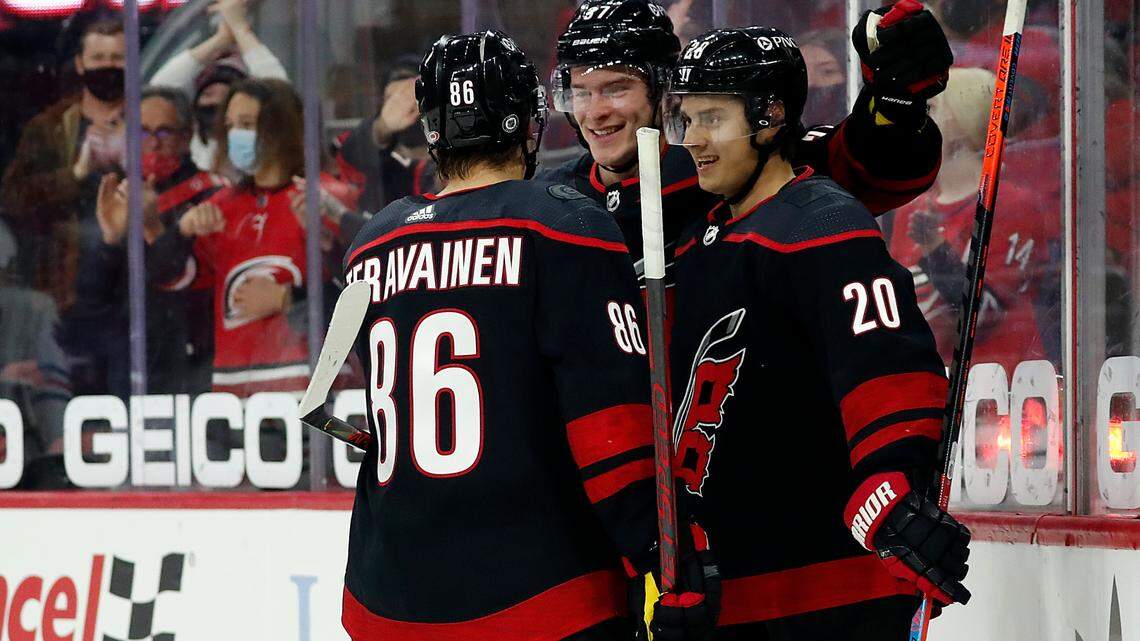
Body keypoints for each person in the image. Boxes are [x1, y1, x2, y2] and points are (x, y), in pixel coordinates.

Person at [339, 30, 711, 641]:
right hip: (539, 595)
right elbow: (610, 429)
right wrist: (669, 558)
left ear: (431, 128)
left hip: (385, 599)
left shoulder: (371, 243)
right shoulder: (563, 224)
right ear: (527, 123)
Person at [663, 28, 971, 638]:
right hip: (732, 589)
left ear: (770, 116)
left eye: (711, 119)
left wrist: (892, 481)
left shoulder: (822, 225)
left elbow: (888, 368)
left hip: (826, 594)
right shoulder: (699, 242)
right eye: (686, 119)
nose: (692, 139)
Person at [541, 0, 954, 275]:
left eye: (616, 89)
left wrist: (894, 105)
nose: (594, 112)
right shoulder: (550, 199)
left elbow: (868, 166)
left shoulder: (728, 164)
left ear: (665, 87)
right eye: (580, 92)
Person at [146, 78, 321, 397]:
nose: (236, 135)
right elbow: (165, 278)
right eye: (230, 125)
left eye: (247, 124)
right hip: (232, 388)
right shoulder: (220, 206)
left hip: (309, 382)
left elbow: (363, 290)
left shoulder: (321, 197)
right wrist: (181, 233)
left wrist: (289, 300)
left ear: (280, 127)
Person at [889, 68, 1059, 372]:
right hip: (929, 381)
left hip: (996, 385)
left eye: (932, 108)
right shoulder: (910, 210)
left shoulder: (1010, 205)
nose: (919, 120)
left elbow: (984, 314)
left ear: (962, 122)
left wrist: (937, 251)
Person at [1, 18, 128, 396]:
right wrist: (74, 174)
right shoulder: (51, 127)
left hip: (135, 291)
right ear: (80, 64)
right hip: (68, 292)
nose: (108, 67)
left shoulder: (152, 121)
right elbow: (14, 199)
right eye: (99, 57)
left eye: (118, 58)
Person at [94, 86, 225, 394]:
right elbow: (95, 298)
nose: (152, 144)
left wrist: (153, 226)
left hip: (192, 361)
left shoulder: (213, 196)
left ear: (186, 135)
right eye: (142, 133)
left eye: (164, 132)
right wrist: (110, 241)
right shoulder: (113, 192)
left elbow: (191, 286)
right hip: (128, 357)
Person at [150, 0, 289, 172]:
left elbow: (280, 92)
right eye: (208, 95)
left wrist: (240, 29)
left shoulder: (256, 146)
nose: (215, 102)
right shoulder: (195, 148)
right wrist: (220, 40)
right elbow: (158, 93)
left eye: (225, 96)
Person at [334, 53, 437, 218]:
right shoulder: (376, 160)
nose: (407, 104)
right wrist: (383, 126)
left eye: (414, 94)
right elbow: (350, 154)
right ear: (382, 101)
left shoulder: (449, 159)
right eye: (396, 98)